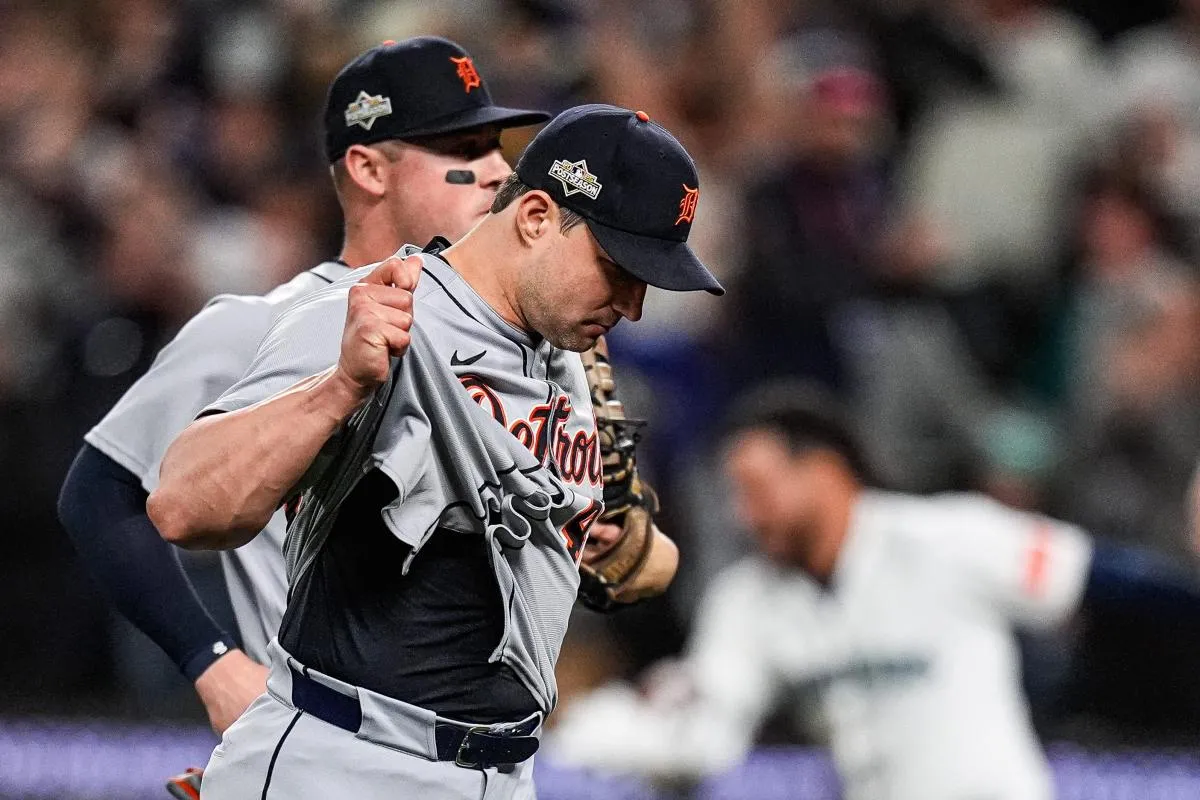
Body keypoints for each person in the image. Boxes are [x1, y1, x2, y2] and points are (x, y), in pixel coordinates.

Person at [148, 103, 721, 799]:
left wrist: (610, 544)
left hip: (502, 774)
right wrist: (338, 390)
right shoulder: (384, 310)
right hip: (351, 759)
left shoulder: (569, 352)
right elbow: (182, 507)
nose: (632, 305)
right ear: (537, 217)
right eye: (618, 267)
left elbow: (641, 563)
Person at [56, 36, 548, 743]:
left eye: (496, 148)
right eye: (463, 151)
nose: (499, 172)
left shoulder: (510, 347)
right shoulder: (262, 325)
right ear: (369, 167)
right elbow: (97, 493)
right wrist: (213, 663)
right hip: (319, 747)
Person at [546, 382, 1200, 800]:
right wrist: (591, 737)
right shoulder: (748, 600)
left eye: (758, 488)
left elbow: (1108, 580)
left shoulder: (945, 540)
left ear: (825, 470)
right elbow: (706, 737)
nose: (747, 515)